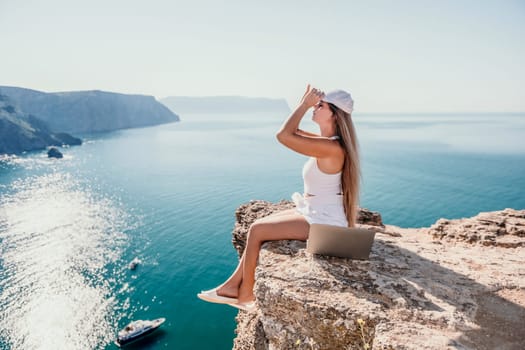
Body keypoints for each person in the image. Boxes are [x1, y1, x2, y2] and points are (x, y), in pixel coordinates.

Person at [198, 84, 361, 311]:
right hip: (316, 210)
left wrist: (303, 106)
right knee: (259, 224)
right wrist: (305, 104)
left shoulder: (332, 148)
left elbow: (284, 135)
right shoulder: (329, 143)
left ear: (334, 114)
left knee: (257, 230)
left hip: (325, 220)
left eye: (320, 105)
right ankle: (231, 286)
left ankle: (245, 296)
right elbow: (294, 133)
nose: (315, 106)